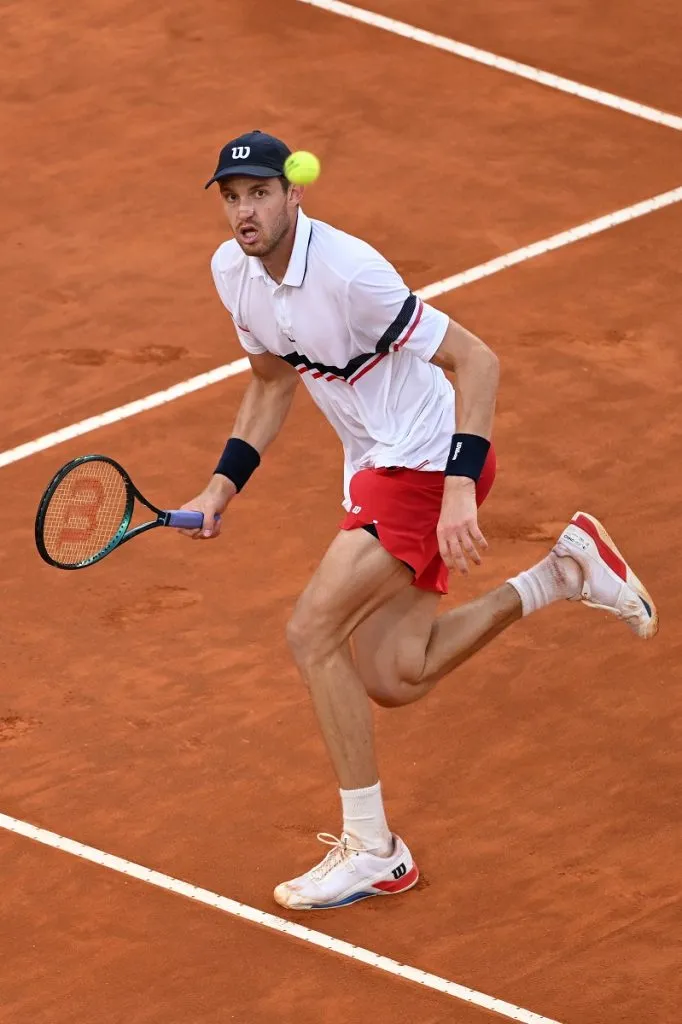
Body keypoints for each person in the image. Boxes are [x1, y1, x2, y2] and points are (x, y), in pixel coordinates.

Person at [180, 130, 658, 912]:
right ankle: (561, 572)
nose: (245, 210)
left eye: (260, 193)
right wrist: (219, 488)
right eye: (232, 198)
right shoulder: (232, 273)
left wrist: (460, 491)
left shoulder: (350, 273)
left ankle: (373, 849)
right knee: (396, 676)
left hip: (430, 459)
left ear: (293, 193)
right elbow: (270, 385)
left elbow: (479, 361)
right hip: (376, 464)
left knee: (312, 632)